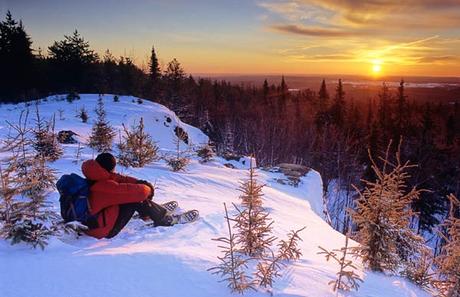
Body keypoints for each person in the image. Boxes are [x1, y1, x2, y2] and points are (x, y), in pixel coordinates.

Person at [81, 152, 173, 239]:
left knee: (128, 197)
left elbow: (117, 178)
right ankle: (163, 219)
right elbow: (140, 193)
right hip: (101, 231)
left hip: (90, 224)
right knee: (134, 199)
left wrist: (137, 182)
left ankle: (146, 212)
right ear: (111, 168)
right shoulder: (106, 187)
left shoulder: (93, 178)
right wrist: (148, 188)